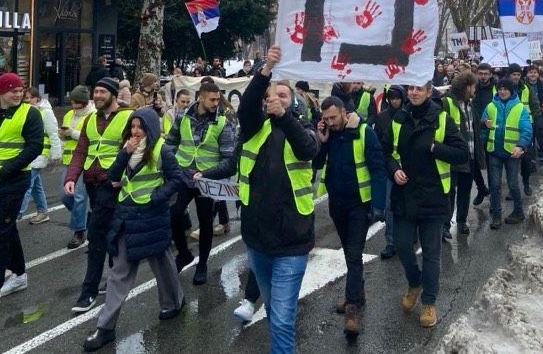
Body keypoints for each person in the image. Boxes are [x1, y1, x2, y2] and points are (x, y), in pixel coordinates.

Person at [197, 44, 318, 354]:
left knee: (279, 317)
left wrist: (285, 118)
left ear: (295, 102)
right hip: (257, 241)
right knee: (272, 307)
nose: (275, 101)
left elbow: (307, 150)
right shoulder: (253, 130)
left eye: (283, 96)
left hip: (292, 241)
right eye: (271, 97)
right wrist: (266, 70)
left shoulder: (303, 129)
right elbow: (246, 106)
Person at [82, 107, 186, 351]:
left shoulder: (161, 150)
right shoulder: (127, 149)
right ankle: (105, 328)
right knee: (119, 273)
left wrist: (156, 197)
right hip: (126, 218)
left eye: (140, 127)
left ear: (150, 127)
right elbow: (113, 177)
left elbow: (176, 179)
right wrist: (123, 154)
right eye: (133, 126)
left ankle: (174, 302)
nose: (135, 131)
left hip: (151, 218)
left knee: (164, 265)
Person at [381, 82, 469, 328]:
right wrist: (394, 170)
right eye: (411, 90)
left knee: (431, 254)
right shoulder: (398, 119)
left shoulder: (442, 118)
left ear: (429, 92)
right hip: (405, 195)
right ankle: (414, 282)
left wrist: (435, 148)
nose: (414, 93)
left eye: (420, 89)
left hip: (432, 196)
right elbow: (386, 152)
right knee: (402, 246)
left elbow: (461, 153)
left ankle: (429, 302)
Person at [0, 73, 44, 319]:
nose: (18, 94)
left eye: (21, 90)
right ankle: (20, 275)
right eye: (13, 90)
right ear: (1, 91)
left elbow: (34, 147)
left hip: (13, 181)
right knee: (5, 227)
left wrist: (7, 168)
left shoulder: (30, 114)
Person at [312, 95, 385, 337]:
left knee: (354, 254)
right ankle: (358, 291)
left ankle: (353, 308)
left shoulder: (365, 133)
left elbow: (377, 168)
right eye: (326, 119)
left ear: (344, 112)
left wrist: (378, 204)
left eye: (333, 117)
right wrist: (322, 141)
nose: (330, 122)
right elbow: (317, 164)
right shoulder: (328, 134)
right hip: (337, 204)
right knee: (348, 252)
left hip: (358, 205)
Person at [65, 78, 133, 314]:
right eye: (95, 91)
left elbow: (138, 149)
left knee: (96, 234)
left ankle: (88, 291)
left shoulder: (128, 118)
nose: (98, 95)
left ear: (114, 95)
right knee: (110, 233)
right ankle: (114, 275)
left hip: (113, 184)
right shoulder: (90, 120)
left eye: (103, 91)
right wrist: (71, 178)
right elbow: (81, 149)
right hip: (91, 183)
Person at [165, 82, 235, 285]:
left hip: (206, 180)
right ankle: (184, 254)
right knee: (174, 214)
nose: (216, 103)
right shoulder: (183, 117)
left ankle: (202, 264)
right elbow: (170, 143)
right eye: (212, 99)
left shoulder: (223, 122)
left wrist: (208, 174)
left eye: (217, 99)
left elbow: (228, 157)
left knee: (205, 223)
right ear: (201, 97)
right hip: (183, 176)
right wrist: (171, 168)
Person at [480, 79, 532, 230]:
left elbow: (527, 130)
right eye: (500, 89)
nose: (502, 92)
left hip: (512, 153)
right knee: (494, 185)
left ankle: (518, 211)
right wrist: (484, 124)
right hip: (494, 152)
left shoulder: (519, 107)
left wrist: (521, 146)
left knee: (513, 184)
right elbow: (481, 127)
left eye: (505, 89)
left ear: (511, 91)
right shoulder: (490, 106)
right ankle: (496, 215)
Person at [443, 72, 484, 236]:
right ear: (467, 87)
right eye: (473, 86)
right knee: (450, 192)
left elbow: (472, 129)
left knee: (465, 191)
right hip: (452, 157)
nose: (475, 89)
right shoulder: (447, 103)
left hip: (469, 156)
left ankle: (461, 221)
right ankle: (445, 224)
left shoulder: (470, 104)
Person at [19, 87, 62, 224]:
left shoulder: (46, 112)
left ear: (37, 98)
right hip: (30, 152)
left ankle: (16, 214)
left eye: (29, 98)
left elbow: (53, 134)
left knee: (26, 184)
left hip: (40, 153)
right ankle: (43, 212)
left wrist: (56, 154)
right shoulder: (26, 111)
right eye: (25, 98)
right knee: (35, 185)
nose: (27, 100)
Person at [373, 85, 406, 259]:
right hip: (389, 169)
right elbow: (379, 145)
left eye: (397, 98)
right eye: (391, 98)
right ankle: (390, 242)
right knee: (390, 207)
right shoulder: (382, 118)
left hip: (408, 168)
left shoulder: (409, 115)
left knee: (408, 206)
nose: (394, 101)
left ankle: (410, 237)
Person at [60, 85, 95, 249]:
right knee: (65, 197)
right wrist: (63, 134)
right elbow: (65, 137)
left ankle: (79, 231)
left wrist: (71, 133)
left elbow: (89, 138)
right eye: (72, 102)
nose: (73, 106)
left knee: (80, 196)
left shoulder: (93, 116)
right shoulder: (68, 114)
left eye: (76, 103)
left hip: (84, 160)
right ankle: (84, 217)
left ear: (84, 102)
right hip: (68, 160)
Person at [506, 64, 541, 196]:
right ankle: (512, 188)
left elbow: (535, 105)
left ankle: (526, 183)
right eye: (513, 74)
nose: (515, 77)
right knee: (511, 161)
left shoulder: (526, 88)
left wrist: (536, 123)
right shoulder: (503, 88)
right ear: (509, 75)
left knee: (526, 160)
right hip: (509, 130)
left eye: (518, 75)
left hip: (526, 128)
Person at [470, 64, 495, 205]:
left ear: (490, 74)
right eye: (480, 73)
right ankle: (481, 188)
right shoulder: (472, 88)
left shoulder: (496, 89)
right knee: (473, 164)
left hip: (490, 131)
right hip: (474, 130)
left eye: (486, 73)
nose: (483, 76)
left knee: (492, 165)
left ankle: (493, 196)